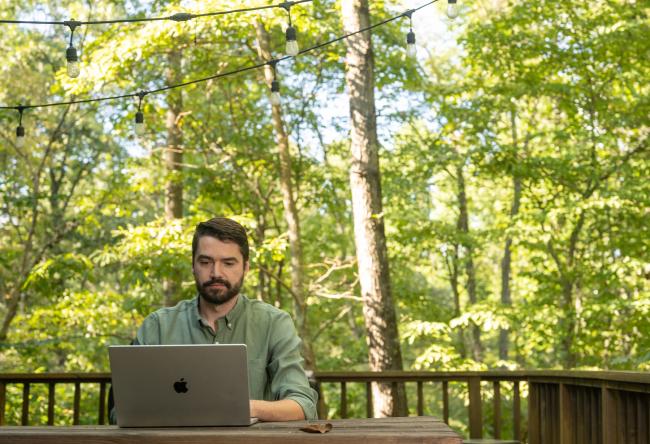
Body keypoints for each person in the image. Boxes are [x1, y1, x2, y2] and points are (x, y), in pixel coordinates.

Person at [133, 217, 318, 421]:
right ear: (193, 265)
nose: (216, 273)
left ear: (245, 267)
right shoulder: (157, 326)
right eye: (205, 262)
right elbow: (123, 410)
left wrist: (246, 408)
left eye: (228, 263)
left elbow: (302, 405)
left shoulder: (274, 323)